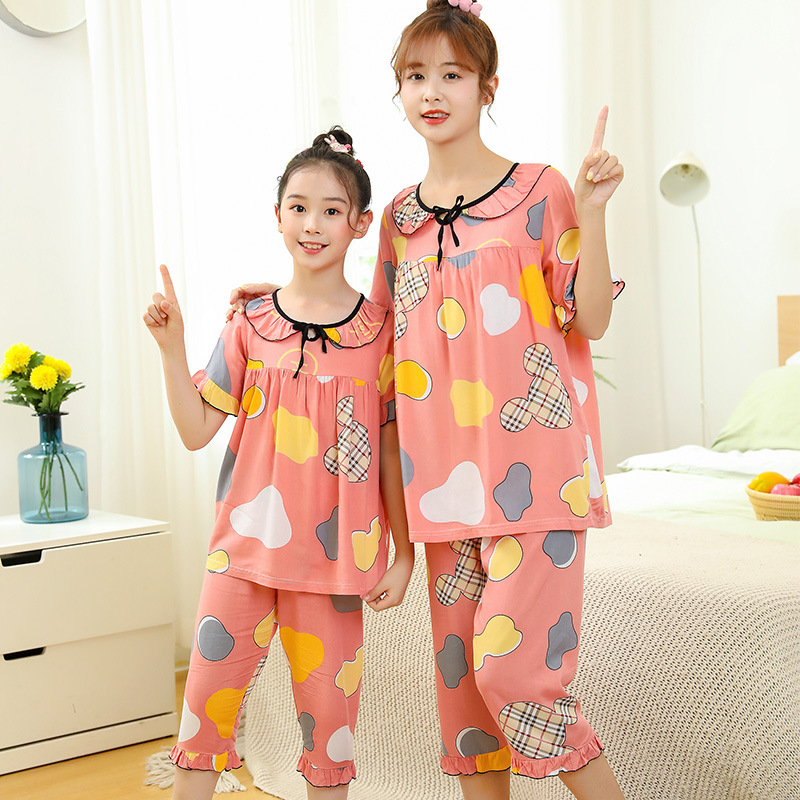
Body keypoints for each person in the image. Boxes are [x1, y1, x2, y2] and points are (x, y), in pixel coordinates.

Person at [228, 2, 626, 797]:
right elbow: (373, 340)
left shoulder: (542, 188)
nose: (432, 92)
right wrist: (286, 305)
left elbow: (591, 318)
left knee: (517, 677)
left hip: (539, 476)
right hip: (439, 490)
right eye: (415, 76)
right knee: (465, 703)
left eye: (452, 74)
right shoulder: (400, 218)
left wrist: (593, 209)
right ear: (400, 91)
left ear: (488, 87)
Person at [144, 127, 413, 800]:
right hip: (242, 554)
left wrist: (404, 553)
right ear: (278, 216)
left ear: (360, 224)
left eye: (331, 210)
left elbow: (391, 451)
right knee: (204, 718)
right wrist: (173, 348)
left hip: (335, 564)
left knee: (330, 735)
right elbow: (196, 430)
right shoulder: (249, 324)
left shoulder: (381, 335)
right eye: (298, 207)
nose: (312, 224)